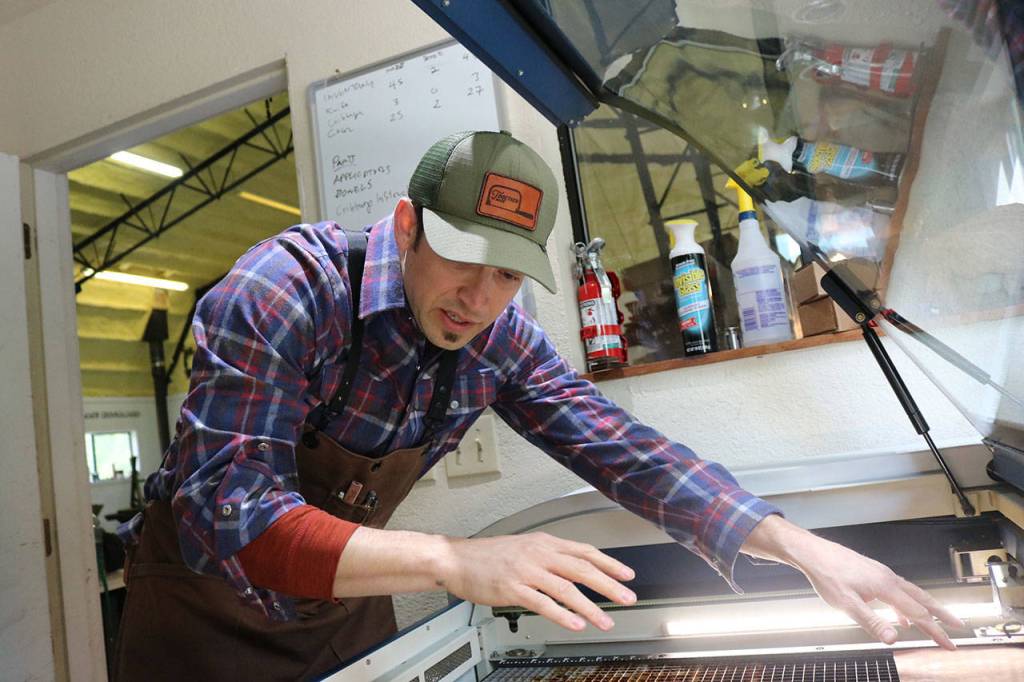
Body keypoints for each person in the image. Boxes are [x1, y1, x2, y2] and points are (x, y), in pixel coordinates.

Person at [115, 130, 961, 681]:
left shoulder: (497, 338)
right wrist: (453, 561)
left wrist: (802, 547)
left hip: (338, 617)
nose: (480, 300)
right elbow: (230, 512)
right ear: (407, 225)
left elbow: (621, 448)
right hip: (203, 622)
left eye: (510, 275)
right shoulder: (285, 291)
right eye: (464, 260)